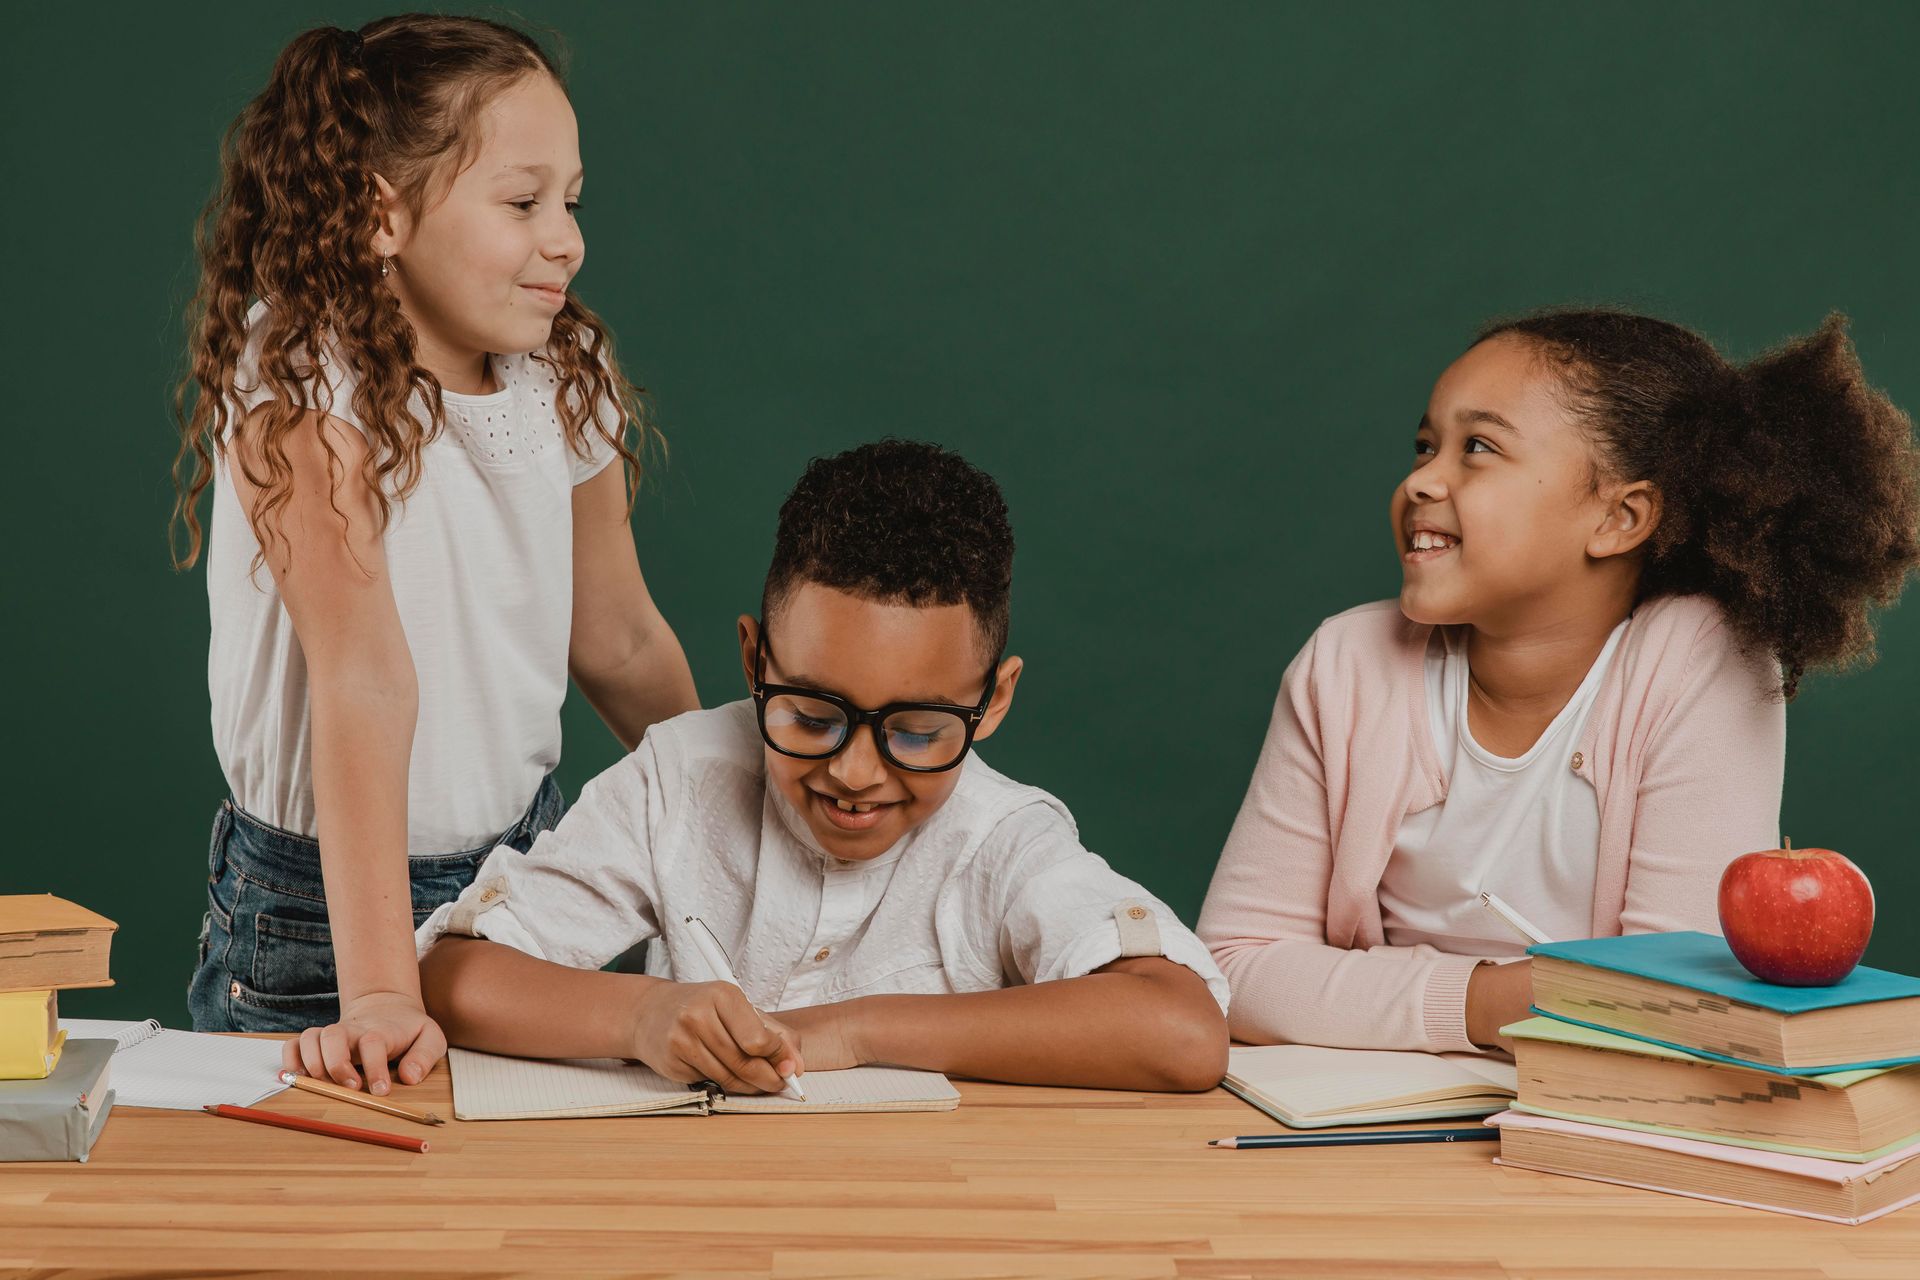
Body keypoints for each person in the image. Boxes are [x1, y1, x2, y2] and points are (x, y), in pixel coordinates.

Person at [171, 15, 698, 1094]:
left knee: (499, 1207)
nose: (568, 238)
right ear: (382, 213)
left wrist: (724, 821)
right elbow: (363, 675)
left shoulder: (563, 366)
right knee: (328, 1217)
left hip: (517, 877)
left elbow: (619, 634)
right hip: (324, 914)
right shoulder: (306, 383)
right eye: (522, 202)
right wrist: (375, 991)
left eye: (572, 200)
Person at [396, 440, 1229, 1093]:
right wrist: (644, 1015)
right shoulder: (679, 780)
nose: (856, 772)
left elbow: (1182, 1029)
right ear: (756, 663)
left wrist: (853, 1031)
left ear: (994, 701)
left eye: (915, 731)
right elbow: (455, 976)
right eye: (814, 716)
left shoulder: (1003, 840)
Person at [1200, 310, 1920, 1054]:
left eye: (1477, 447)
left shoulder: (1699, 659)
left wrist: (1364, 995)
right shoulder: (1346, 662)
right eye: (1425, 446)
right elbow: (1234, 969)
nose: (1421, 480)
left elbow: (1669, 1005)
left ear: (1620, 518)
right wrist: (1498, 1000)